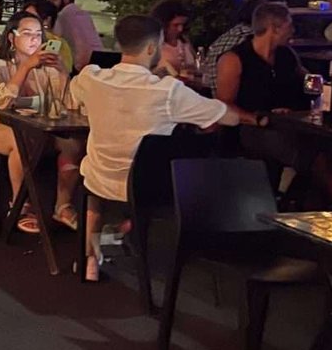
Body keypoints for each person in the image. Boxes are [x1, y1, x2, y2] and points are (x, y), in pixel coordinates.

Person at [74, 15, 251, 280]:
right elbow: (228, 117)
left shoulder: (91, 78)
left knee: (92, 189)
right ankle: (125, 232)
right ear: (151, 48)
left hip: (100, 179)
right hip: (150, 188)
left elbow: (75, 94)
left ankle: (91, 257)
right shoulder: (168, 92)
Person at [215, 1, 332, 209]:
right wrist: (258, 118)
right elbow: (223, 104)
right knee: (318, 159)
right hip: (251, 129)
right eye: (289, 25)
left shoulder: (286, 55)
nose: (293, 31)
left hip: (292, 125)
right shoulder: (235, 59)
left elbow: (312, 83)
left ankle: (328, 206)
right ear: (274, 28)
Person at [0, 14, 80, 234]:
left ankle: (62, 205)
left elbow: (68, 106)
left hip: (37, 126)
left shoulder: (46, 68)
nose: (34, 39)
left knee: (73, 144)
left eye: (38, 35)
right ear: (11, 37)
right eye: (27, 34)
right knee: (21, 141)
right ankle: (19, 204)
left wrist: (63, 73)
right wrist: (25, 68)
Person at [49, 0, 99, 73]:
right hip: (98, 58)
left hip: (79, 64)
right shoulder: (84, 14)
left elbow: (55, 40)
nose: (51, 5)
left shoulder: (62, 16)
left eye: (54, 0)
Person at [149, 0, 199, 83]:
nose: (180, 29)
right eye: (175, 25)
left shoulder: (184, 42)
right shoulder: (154, 46)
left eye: (183, 25)